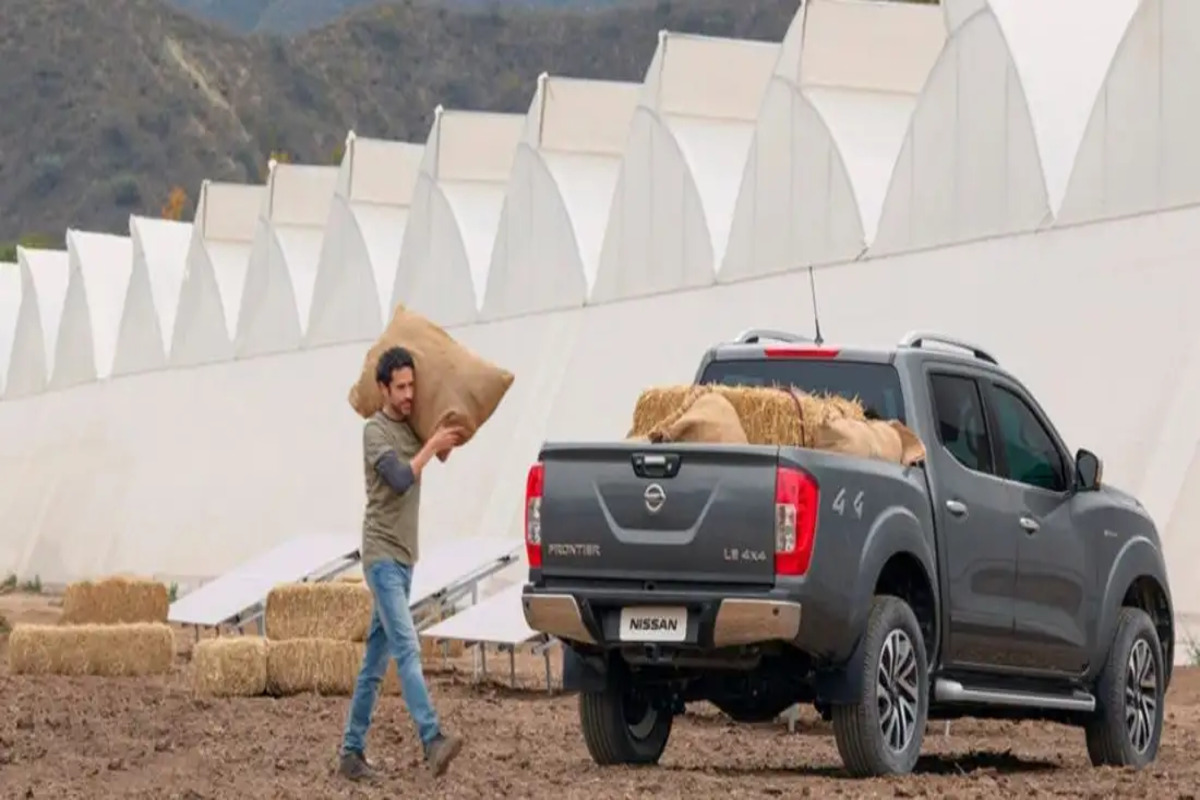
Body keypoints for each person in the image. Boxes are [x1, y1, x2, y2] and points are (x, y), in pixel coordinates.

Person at [339, 345, 465, 781]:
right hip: (381, 556)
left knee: (374, 664)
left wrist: (442, 432)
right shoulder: (375, 432)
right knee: (408, 647)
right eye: (401, 387)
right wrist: (431, 445)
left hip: (404, 558)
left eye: (413, 385)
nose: (409, 394)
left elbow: (447, 443)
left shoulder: (413, 429)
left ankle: (350, 753)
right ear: (383, 389)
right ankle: (432, 739)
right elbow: (397, 478)